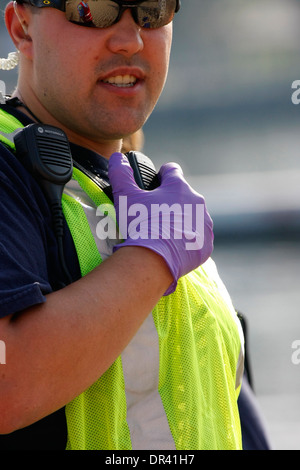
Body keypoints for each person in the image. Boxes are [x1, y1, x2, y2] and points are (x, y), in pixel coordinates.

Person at [0, 0, 244, 450]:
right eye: (91, 10)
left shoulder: (156, 191)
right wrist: (153, 258)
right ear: (22, 28)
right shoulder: (7, 169)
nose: (130, 40)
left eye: (151, 12)